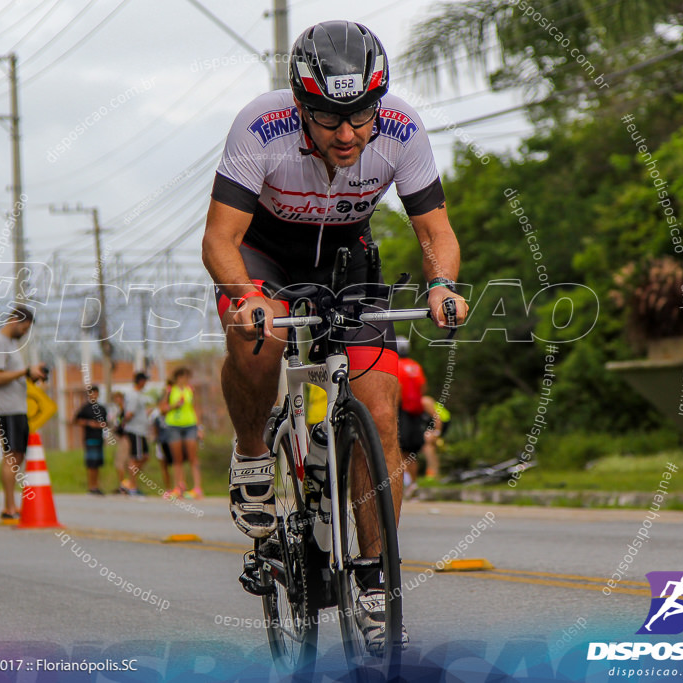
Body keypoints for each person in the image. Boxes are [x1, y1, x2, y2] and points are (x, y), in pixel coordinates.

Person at [201, 20, 468, 654]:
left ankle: (374, 583)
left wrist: (442, 285)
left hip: (347, 259)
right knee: (257, 340)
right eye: (327, 117)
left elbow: (436, 233)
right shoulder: (259, 126)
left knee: (378, 409)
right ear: (299, 105)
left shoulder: (401, 129)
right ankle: (251, 455)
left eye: (360, 115)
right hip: (264, 255)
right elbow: (219, 240)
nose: (347, 133)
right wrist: (246, 299)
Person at [0, 305, 47, 520]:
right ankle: (8, 506)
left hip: (18, 408)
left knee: (18, 455)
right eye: (24, 328)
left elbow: (12, 375)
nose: (24, 333)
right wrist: (25, 371)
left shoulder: (10, 344)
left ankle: (12, 505)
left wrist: (32, 374)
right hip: (7, 409)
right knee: (11, 456)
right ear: (15, 321)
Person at [162, 367, 203, 499]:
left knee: (193, 457)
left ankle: (197, 488)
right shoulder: (169, 390)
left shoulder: (190, 390)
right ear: (178, 377)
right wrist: (175, 405)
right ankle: (179, 487)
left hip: (190, 426)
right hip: (173, 426)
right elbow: (162, 409)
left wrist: (200, 428)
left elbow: (196, 408)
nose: (186, 380)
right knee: (177, 459)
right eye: (185, 377)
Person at [396, 336, 428, 499]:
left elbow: (398, 388)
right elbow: (423, 387)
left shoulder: (397, 365)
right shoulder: (415, 366)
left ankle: (402, 484)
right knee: (412, 452)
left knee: (399, 449)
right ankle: (413, 483)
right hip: (416, 411)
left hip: (403, 411)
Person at [122, 372, 153, 494]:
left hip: (141, 430)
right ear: (140, 381)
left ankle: (130, 482)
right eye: (145, 380)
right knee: (135, 458)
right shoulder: (134, 395)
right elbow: (130, 413)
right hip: (135, 430)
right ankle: (132, 486)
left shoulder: (139, 395)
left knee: (145, 456)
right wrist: (123, 424)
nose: (146, 383)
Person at [73, 386, 108, 495]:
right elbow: (75, 420)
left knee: (97, 463)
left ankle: (96, 486)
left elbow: (106, 423)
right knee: (91, 464)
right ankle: (91, 486)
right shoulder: (85, 408)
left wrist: (100, 425)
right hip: (89, 438)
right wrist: (89, 423)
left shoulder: (102, 408)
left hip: (99, 438)